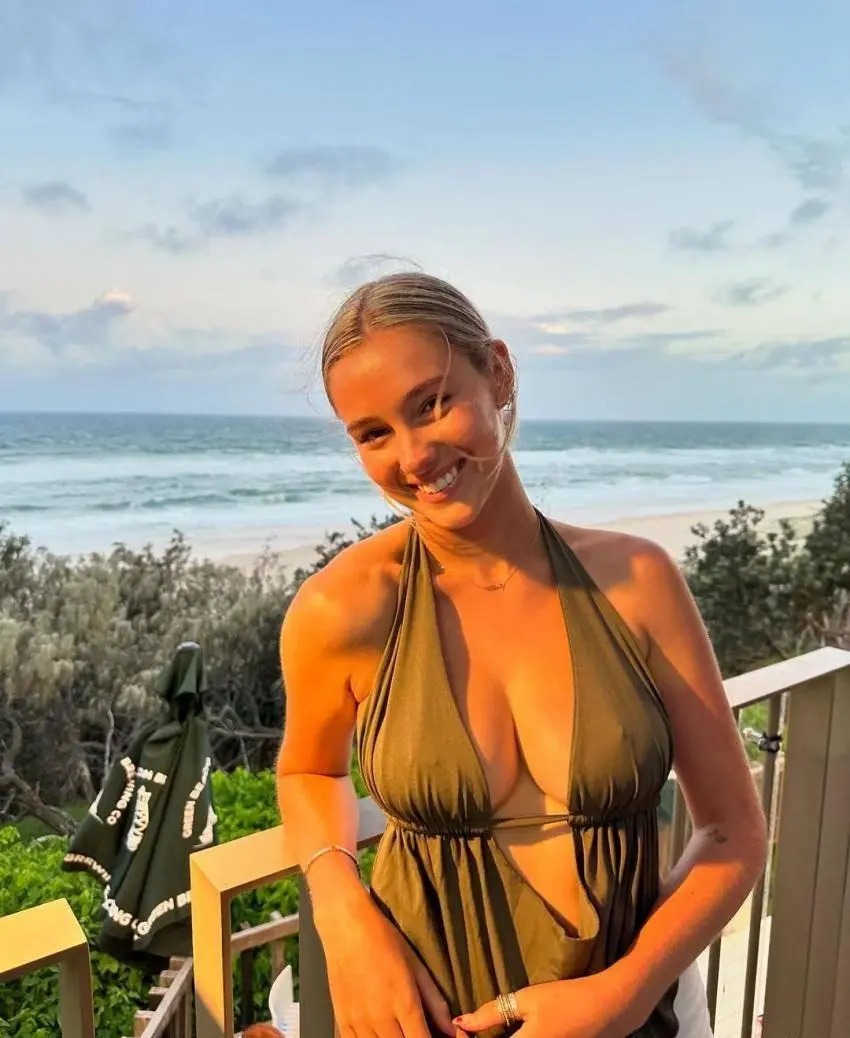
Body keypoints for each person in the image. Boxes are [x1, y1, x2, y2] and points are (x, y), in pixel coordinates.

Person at [276, 273, 767, 1038]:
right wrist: (341, 910)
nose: (414, 456)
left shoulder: (637, 583)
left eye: (432, 403)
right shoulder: (342, 609)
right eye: (373, 434)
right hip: (427, 1019)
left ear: (498, 374)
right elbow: (309, 770)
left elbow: (733, 833)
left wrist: (625, 992)